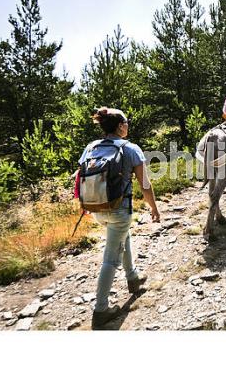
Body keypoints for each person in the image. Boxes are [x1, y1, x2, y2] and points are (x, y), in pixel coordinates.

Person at [79, 107, 160, 329]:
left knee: (123, 238)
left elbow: (80, 178)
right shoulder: (131, 149)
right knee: (110, 259)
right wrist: (154, 208)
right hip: (119, 210)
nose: (128, 126)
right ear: (120, 126)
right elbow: (145, 184)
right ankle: (101, 310)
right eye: (126, 122)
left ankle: (133, 278)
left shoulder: (91, 147)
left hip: (96, 209)